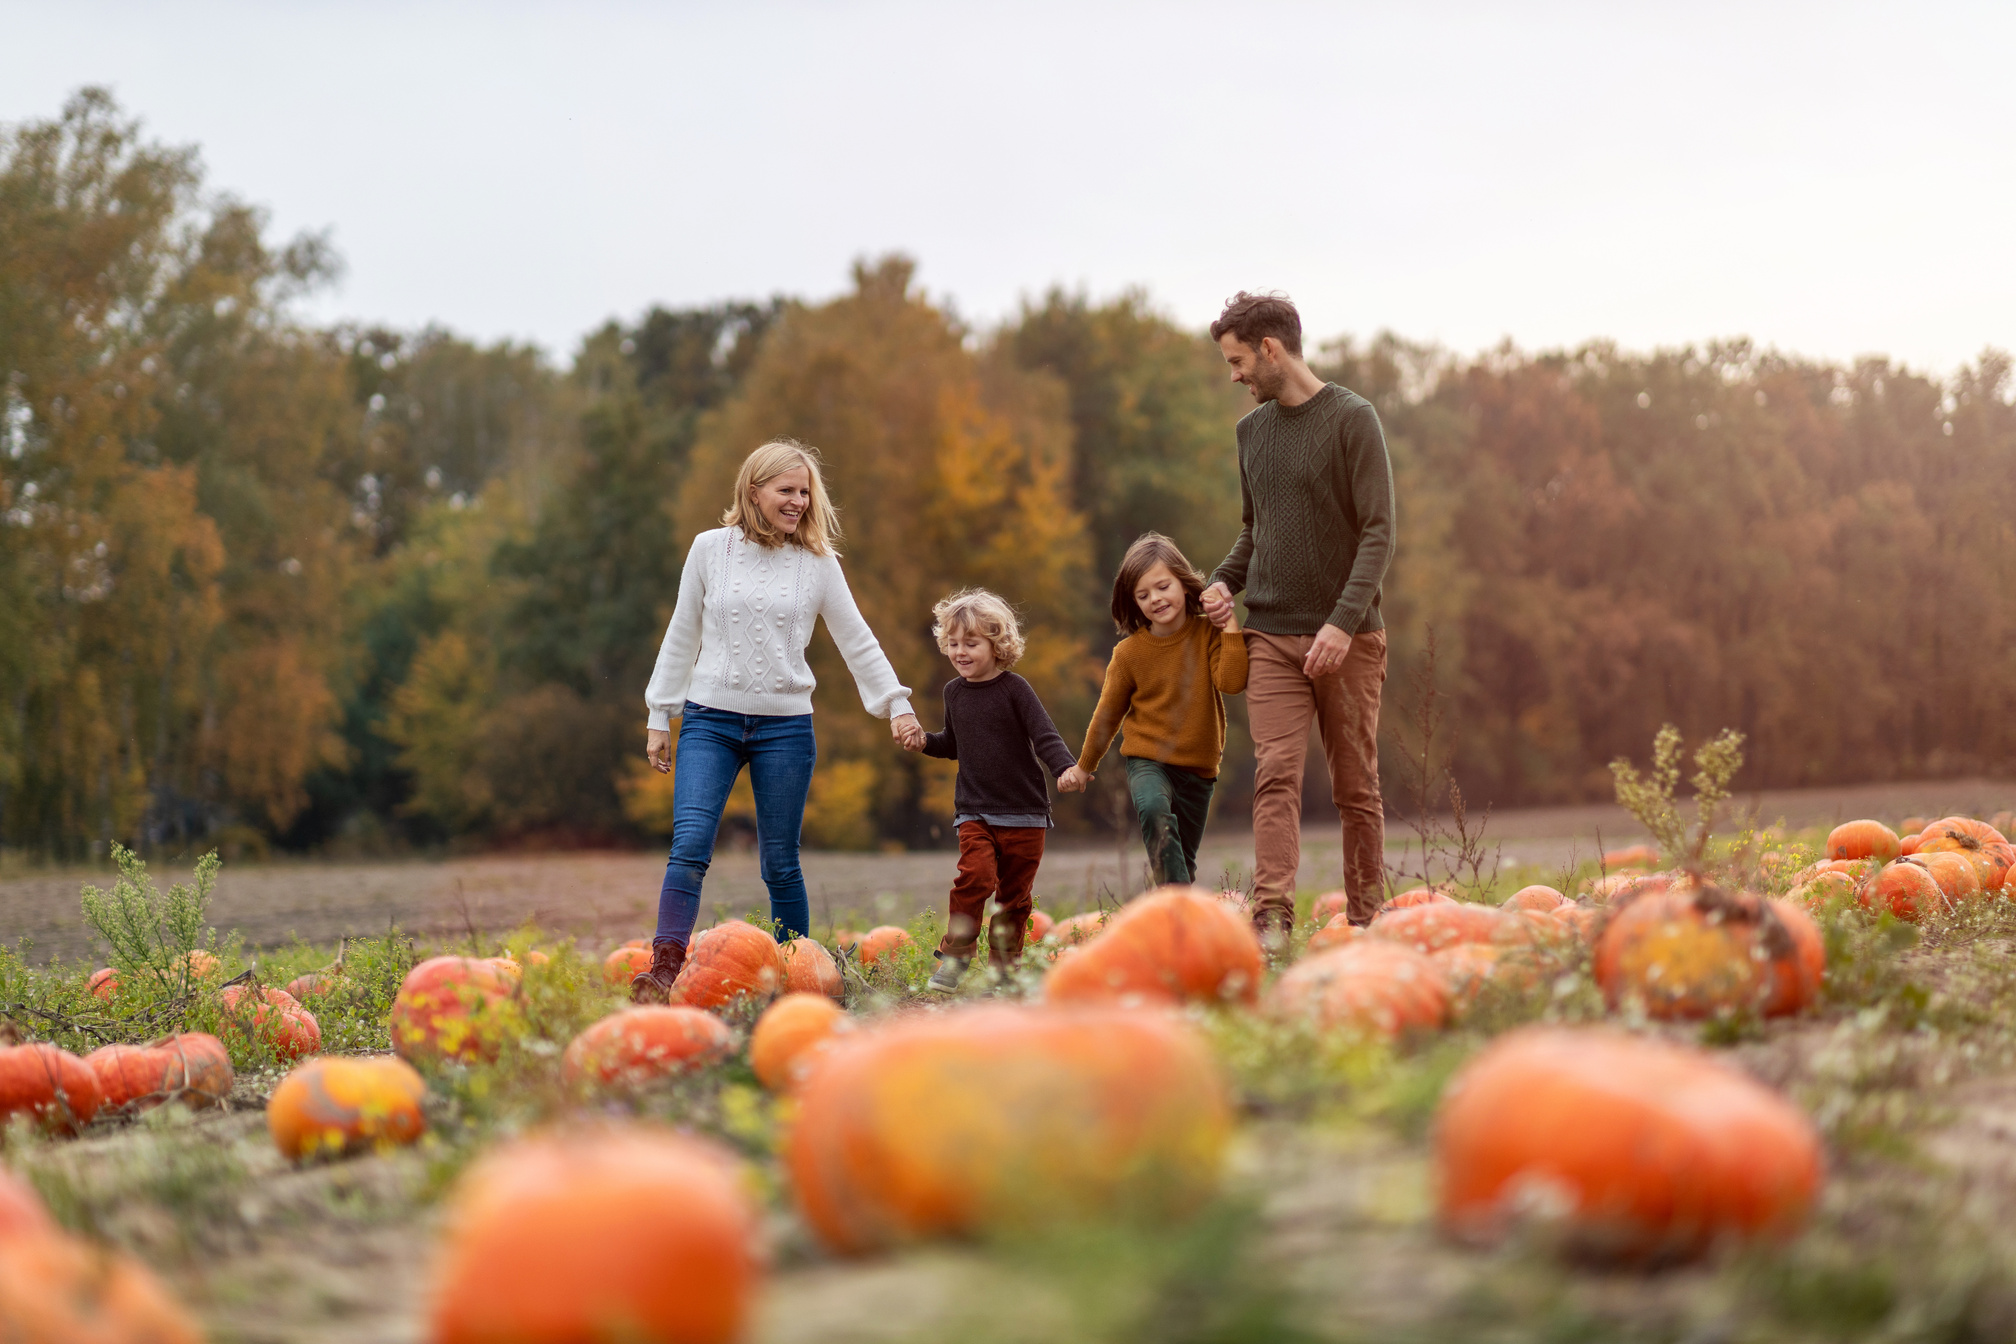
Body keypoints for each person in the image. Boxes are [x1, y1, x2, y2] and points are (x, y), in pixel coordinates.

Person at [632, 440, 924, 1002]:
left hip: (785, 729)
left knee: (780, 861)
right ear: (754, 489)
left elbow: (856, 638)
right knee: (690, 844)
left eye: (805, 492)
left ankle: (798, 976)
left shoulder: (818, 565)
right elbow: (682, 631)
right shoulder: (708, 549)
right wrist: (658, 713)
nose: (797, 501)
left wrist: (897, 702)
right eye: (786, 490)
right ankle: (665, 967)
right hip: (709, 720)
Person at [1199, 291, 1395, 945]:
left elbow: (1378, 532)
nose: (1235, 377)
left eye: (1237, 361)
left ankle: (1367, 918)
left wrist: (1342, 623)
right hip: (1272, 637)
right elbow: (1256, 531)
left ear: (1270, 349)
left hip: (1351, 639)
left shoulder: (1352, 419)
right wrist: (1222, 582)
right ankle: (1273, 919)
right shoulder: (1250, 433)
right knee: (1275, 775)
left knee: (1354, 784)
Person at [904, 589, 1088, 992]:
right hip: (975, 810)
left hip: (1025, 812)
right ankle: (954, 959)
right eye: (953, 644)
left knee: (1013, 899)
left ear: (997, 644)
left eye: (971, 643)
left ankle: (1004, 973)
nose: (960, 652)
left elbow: (1044, 736)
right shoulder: (953, 692)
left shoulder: (1015, 688)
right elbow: (953, 744)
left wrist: (1065, 768)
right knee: (975, 878)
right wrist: (924, 741)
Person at [1076, 533, 1247, 889]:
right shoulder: (1128, 655)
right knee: (1155, 813)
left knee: (1180, 859)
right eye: (1143, 595)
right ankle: (1182, 906)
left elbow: (1231, 682)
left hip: (1199, 771)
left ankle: (1172, 924)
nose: (1155, 598)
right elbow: (1106, 716)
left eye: (1162, 586)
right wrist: (1083, 767)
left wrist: (1229, 626)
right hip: (1148, 761)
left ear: (1184, 585)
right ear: (1134, 603)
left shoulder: (1208, 634)